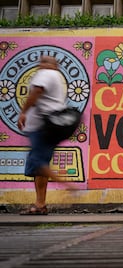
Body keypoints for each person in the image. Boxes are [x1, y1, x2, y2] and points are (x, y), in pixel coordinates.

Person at [17, 55, 67, 215]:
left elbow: (37, 91)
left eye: (46, 62)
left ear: (55, 65)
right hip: (45, 127)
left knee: (38, 162)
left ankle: (66, 185)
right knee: (38, 165)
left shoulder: (46, 74)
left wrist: (23, 112)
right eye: (41, 61)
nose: (42, 64)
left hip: (41, 128)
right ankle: (40, 203)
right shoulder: (57, 78)